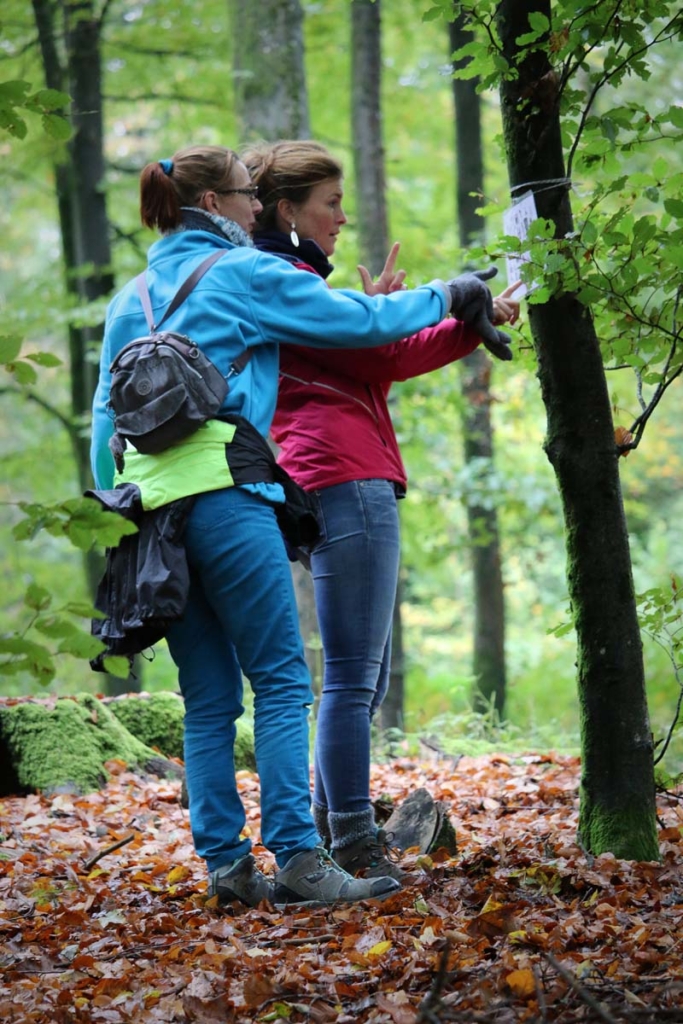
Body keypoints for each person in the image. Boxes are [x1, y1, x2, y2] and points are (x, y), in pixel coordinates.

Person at [90, 144, 509, 908]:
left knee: (209, 701)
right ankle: (299, 859)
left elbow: (102, 420)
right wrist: (449, 293)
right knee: (283, 685)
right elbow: (354, 318)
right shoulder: (246, 273)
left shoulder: (131, 299)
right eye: (247, 196)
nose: (257, 209)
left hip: (150, 519)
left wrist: (116, 502)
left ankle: (226, 869)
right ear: (213, 206)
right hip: (227, 498)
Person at [242, 139, 520, 882]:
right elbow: (381, 357)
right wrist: (458, 316)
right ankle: (351, 838)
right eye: (329, 203)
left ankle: (341, 831)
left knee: (353, 674)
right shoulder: (290, 282)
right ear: (286, 209)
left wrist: (402, 316)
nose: (341, 217)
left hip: (325, 474)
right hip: (346, 479)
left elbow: (366, 371)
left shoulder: (285, 283)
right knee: (353, 678)